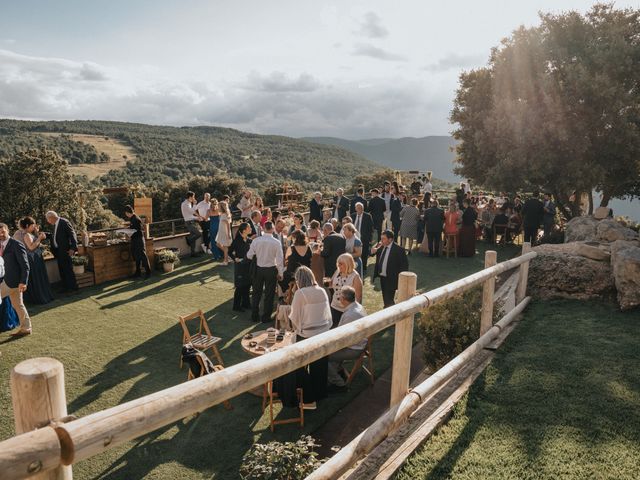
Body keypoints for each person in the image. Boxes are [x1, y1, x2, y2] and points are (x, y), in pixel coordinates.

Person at [287, 266, 332, 408]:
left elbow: (294, 317)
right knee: (320, 365)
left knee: (295, 365)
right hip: (323, 333)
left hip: (306, 335)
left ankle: (309, 397)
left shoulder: (301, 294)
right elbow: (327, 314)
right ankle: (319, 393)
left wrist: (295, 330)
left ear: (298, 280)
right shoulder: (322, 291)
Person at [327, 286, 368, 392]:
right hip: (359, 343)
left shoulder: (350, 314)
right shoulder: (357, 306)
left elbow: (341, 337)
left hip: (354, 348)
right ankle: (338, 371)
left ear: (344, 299)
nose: (339, 298)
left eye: (340, 296)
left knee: (323, 357)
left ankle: (339, 384)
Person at [246, 221, 284, 323]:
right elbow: (280, 260)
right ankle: (266, 317)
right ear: (272, 229)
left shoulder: (256, 241)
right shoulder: (276, 242)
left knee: (256, 293)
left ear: (263, 228)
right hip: (271, 269)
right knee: (269, 294)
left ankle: (255, 316)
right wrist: (281, 273)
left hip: (258, 269)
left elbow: (249, 255)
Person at [0, 223, 31, 336]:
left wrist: (23, 281)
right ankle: (26, 328)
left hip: (12, 282)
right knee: (18, 305)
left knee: (18, 305)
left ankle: (26, 328)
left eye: (3, 232)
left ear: (8, 231)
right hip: (7, 281)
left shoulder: (16, 244)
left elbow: (25, 265)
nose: (1, 234)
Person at [13, 217, 54, 303]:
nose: (34, 226)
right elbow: (31, 247)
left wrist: (36, 234)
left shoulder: (22, 233)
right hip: (33, 259)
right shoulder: (26, 234)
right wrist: (40, 238)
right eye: (33, 225)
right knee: (37, 279)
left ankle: (39, 297)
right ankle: (40, 297)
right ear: (27, 225)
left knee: (37, 279)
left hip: (32, 259)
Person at [372, 230, 408, 308]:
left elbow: (404, 266)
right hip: (382, 277)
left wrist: (401, 279)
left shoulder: (399, 250)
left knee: (389, 298)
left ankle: (390, 311)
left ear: (390, 239)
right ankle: (387, 308)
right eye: (381, 239)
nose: (381, 241)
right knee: (385, 296)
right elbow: (372, 254)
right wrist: (373, 250)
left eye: (383, 239)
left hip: (392, 278)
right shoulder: (381, 246)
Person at [45, 211, 78, 292]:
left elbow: (72, 234)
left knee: (68, 269)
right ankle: (66, 287)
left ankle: (73, 288)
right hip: (58, 251)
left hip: (65, 250)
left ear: (51, 217)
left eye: (47, 219)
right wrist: (44, 234)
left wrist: (73, 248)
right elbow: (54, 236)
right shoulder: (54, 225)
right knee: (62, 270)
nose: (47, 221)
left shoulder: (64, 222)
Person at [330, 253, 363, 328]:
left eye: (341, 264)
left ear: (348, 264)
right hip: (334, 306)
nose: (338, 265)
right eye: (338, 263)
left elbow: (358, 297)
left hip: (347, 310)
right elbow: (332, 284)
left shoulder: (355, 277)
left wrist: (353, 312)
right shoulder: (338, 271)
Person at [228, 222, 252, 312]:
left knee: (248, 284)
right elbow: (229, 251)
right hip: (240, 266)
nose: (251, 229)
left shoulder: (250, 240)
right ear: (244, 230)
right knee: (240, 286)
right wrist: (235, 259)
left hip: (248, 265)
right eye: (249, 228)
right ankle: (236, 306)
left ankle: (246, 304)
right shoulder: (237, 240)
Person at [124, 206, 151, 278]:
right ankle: (137, 272)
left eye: (126, 213)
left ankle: (148, 272)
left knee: (143, 256)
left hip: (139, 239)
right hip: (135, 239)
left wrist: (128, 230)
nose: (126, 215)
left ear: (127, 213)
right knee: (136, 256)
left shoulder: (136, 219)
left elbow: (137, 230)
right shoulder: (132, 218)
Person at [353, 202, 373, 273]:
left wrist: (370, 239)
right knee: (354, 252)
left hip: (364, 238)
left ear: (363, 209)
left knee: (364, 253)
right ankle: (354, 267)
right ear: (355, 208)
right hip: (354, 238)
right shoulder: (353, 216)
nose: (359, 209)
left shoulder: (367, 216)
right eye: (357, 208)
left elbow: (370, 229)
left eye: (360, 208)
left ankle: (364, 268)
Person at [181, 191, 202, 257]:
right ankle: (188, 240)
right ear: (190, 197)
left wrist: (198, 217)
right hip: (189, 222)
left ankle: (193, 253)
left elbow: (191, 214)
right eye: (193, 197)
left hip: (191, 221)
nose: (194, 198)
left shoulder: (189, 203)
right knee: (198, 234)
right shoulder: (185, 204)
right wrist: (195, 204)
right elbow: (192, 212)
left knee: (194, 237)